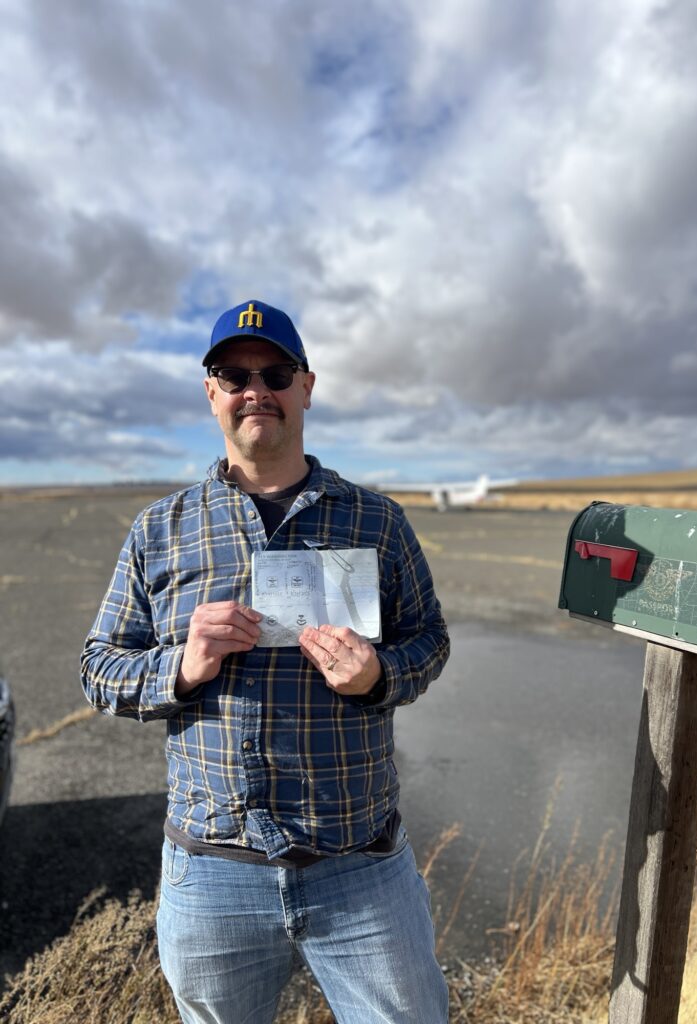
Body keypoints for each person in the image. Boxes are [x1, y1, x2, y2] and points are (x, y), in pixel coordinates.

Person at [81, 298, 451, 1024]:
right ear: (211, 392)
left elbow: (429, 640)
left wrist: (379, 676)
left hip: (362, 869)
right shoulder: (161, 529)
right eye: (234, 373)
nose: (258, 390)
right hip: (212, 873)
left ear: (306, 388)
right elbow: (98, 668)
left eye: (276, 373)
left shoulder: (376, 519)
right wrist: (180, 667)